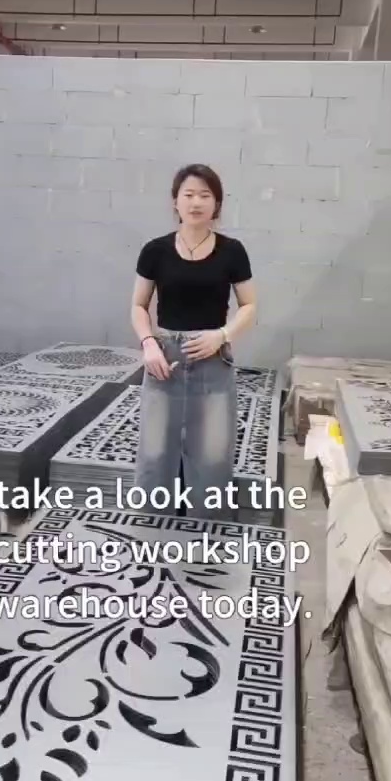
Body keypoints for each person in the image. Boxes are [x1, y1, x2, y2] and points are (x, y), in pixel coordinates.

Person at [130, 163, 257, 520]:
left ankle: (207, 532)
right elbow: (139, 306)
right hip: (164, 361)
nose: (196, 202)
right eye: (188, 194)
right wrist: (148, 343)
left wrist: (223, 335)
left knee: (212, 452)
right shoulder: (155, 250)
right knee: (156, 450)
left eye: (205, 195)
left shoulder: (232, 251)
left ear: (216, 204)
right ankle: (153, 530)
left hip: (212, 358)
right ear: (176, 201)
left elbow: (249, 306)